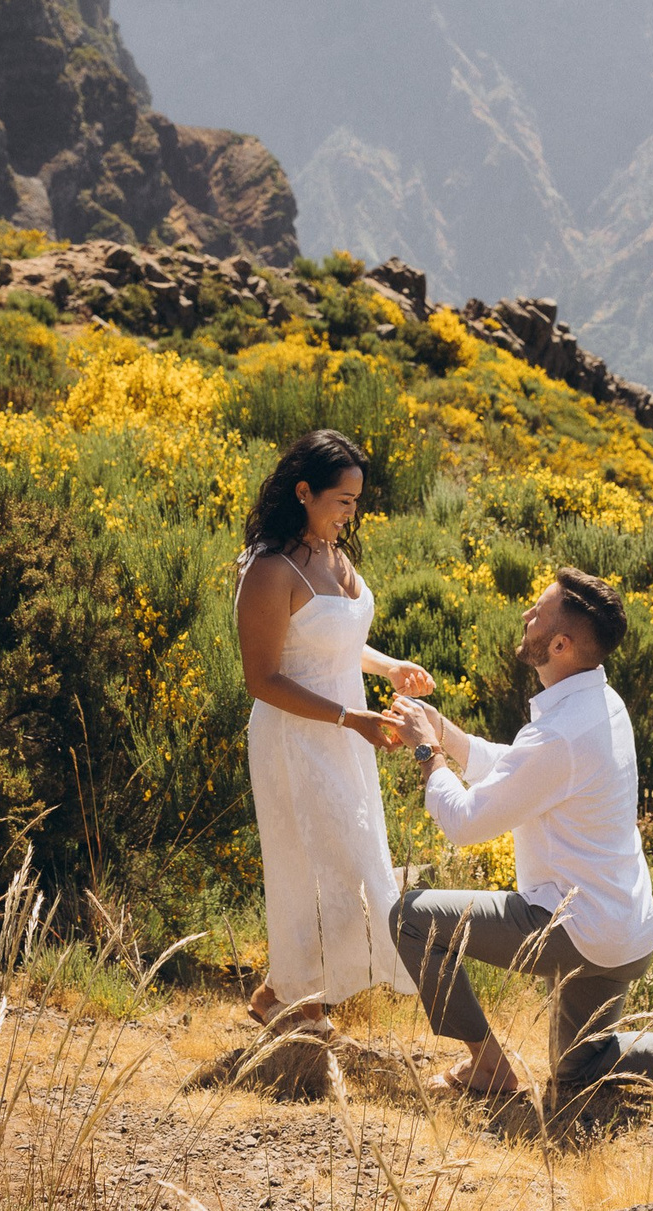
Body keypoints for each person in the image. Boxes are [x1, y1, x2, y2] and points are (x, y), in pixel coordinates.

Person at [387, 568, 653, 1117]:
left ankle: (486, 1065)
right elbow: (525, 771)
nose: (525, 616)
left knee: (410, 917)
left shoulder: (559, 732)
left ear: (559, 645)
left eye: (537, 613)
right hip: (626, 934)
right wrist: (446, 734)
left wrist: (428, 755)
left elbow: (464, 822)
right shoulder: (602, 703)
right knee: (577, 1071)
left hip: (574, 931)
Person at [235, 428, 432, 1035]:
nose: (352, 513)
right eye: (343, 500)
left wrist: (387, 666)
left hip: (348, 734)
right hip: (296, 739)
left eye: (355, 501)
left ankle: (283, 993)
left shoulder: (331, 553)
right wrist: (354, 718)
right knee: (315, 864)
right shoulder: (270, 570)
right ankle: (296, 999)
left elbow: (334, 639)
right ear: (303, 492)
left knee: (351, 860)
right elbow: (262, 678)